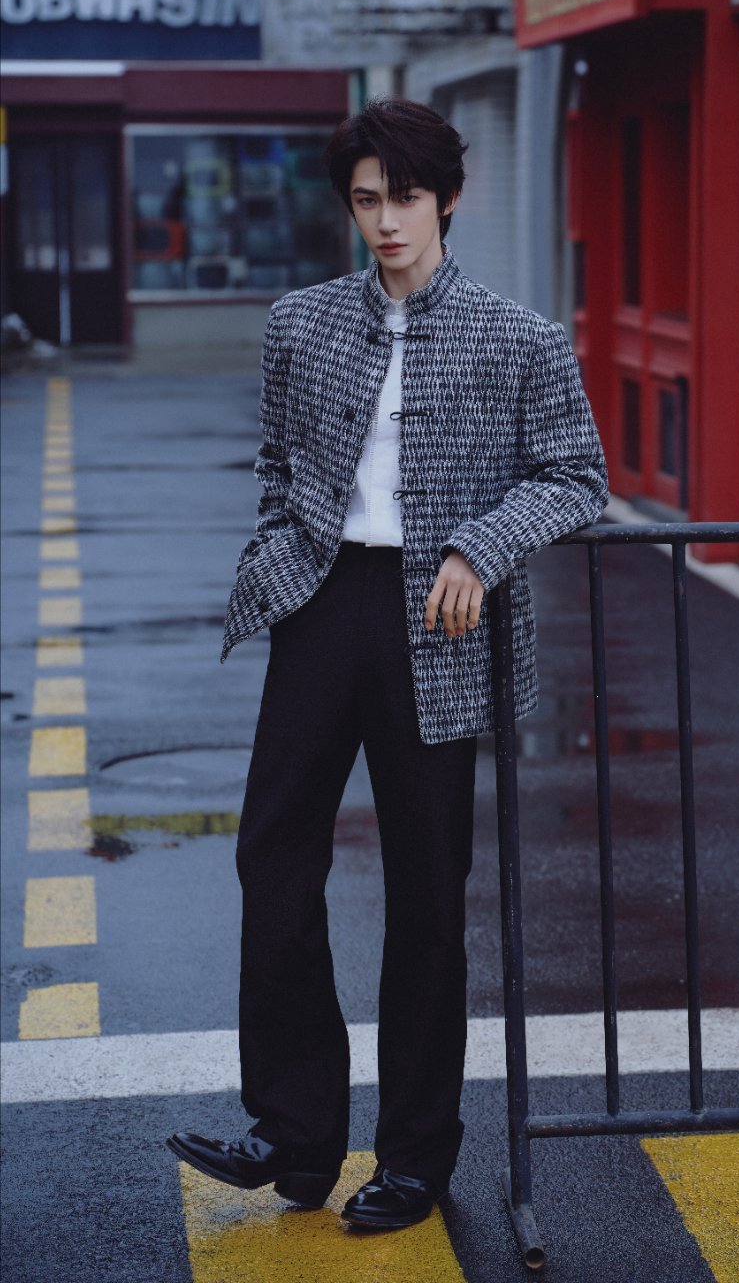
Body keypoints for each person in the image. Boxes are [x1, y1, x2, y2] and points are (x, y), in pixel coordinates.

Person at [166, 97, 609, 1232]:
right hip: (322, 606)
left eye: (405, 198)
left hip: (439, 624)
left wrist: (480, 545)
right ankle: (295, 1132)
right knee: (272, 859)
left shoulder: (519, 337)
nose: (387, 222)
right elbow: (276, 462)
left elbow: (577, 475)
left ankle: (414, 1156)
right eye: (367, 201)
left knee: (425, 895)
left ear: (449, 198)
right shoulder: (301, 323)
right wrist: (277, 547)